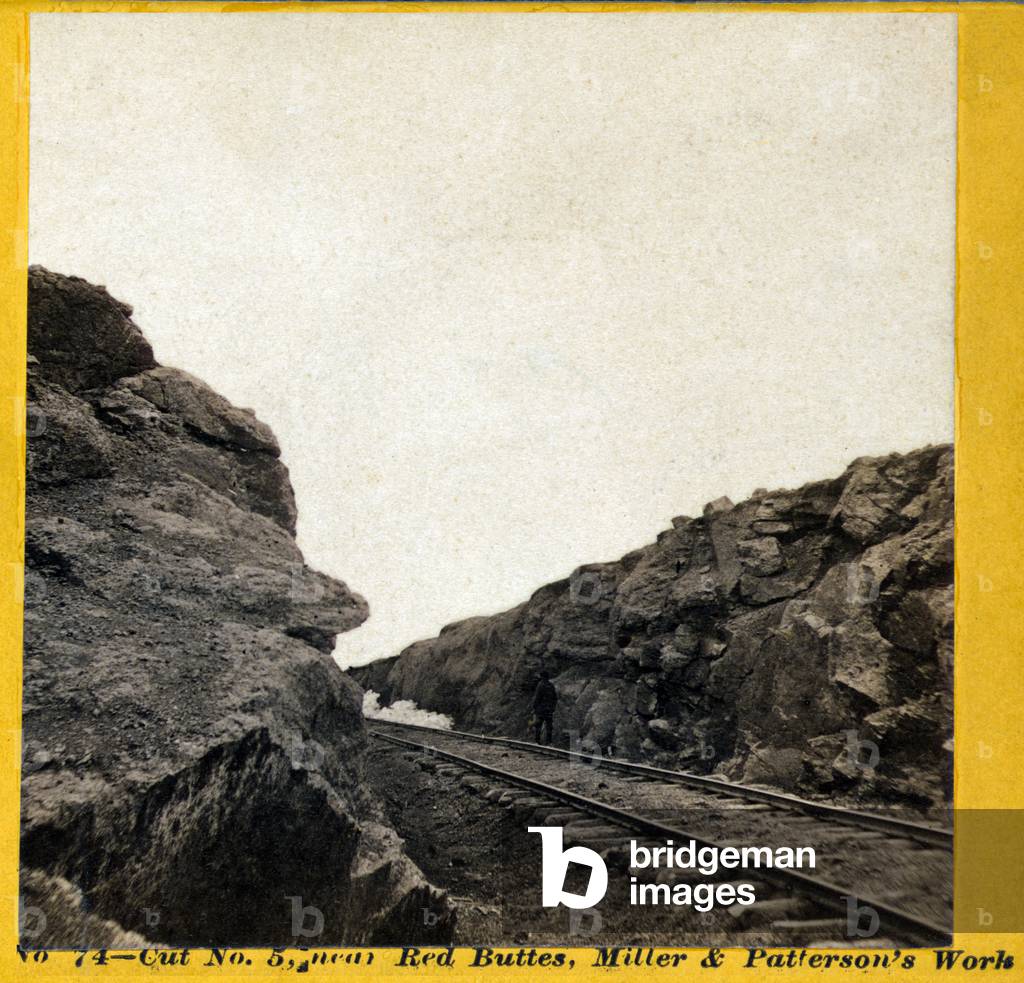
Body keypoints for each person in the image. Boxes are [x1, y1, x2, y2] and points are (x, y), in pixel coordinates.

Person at [532, 670, 558, 745]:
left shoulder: (540, 685)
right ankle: (549, 742)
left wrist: (534, 708)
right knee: (549, 726)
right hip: (549, 710)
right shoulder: (551, 685)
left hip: (541, 710)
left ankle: (537, 741)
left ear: (542, 677)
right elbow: (555, 698)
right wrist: (553, 708)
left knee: (538, 725)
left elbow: (537, 697)